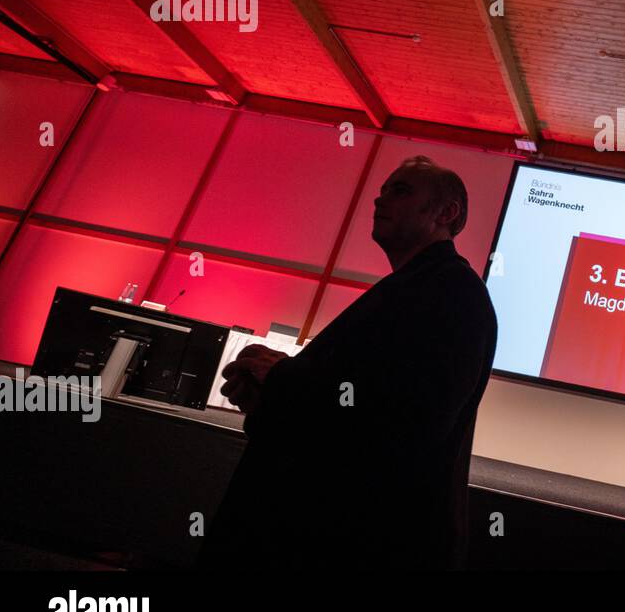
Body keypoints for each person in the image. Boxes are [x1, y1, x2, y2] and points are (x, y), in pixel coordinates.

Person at [199, 156, 497, 569]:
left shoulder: (452, 296)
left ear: (447, 213)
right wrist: (268, 396)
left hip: (348, 537)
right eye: (382, 190)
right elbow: (357, 394)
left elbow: (406, 420)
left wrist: (283, 377)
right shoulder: (417, 289)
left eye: (401, 190)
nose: (379, 200)